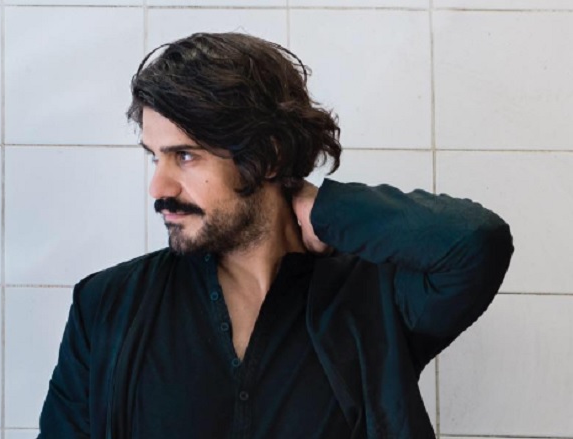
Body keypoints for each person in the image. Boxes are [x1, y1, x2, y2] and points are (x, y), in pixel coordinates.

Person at [38, 32, 514, 439]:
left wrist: (325, 209)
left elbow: (475, 241)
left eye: (185, 156)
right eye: (154, 156)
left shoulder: (377, 299)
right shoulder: (106, 306)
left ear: (266, 156)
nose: (159, 188)